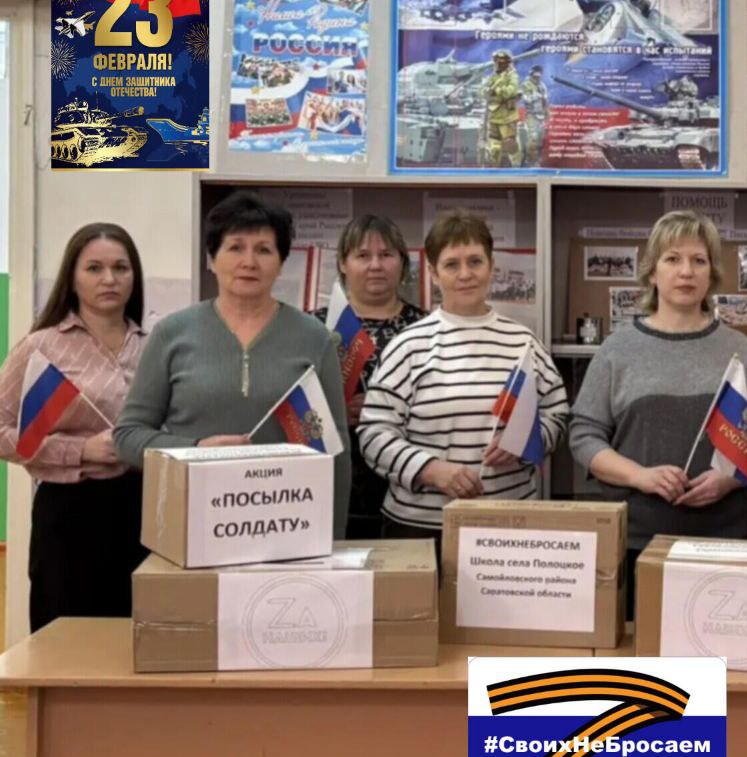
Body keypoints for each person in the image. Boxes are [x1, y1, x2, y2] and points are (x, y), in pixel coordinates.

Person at [570, 211, 747, 609]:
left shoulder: (738, 349)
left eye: (698, 260)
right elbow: (583, 437)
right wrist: (640, 476)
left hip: (724, 540)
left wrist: (730, 478)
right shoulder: (618, 350)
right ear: (652, 272)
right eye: (672, 259)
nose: (686, 271)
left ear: (711, 274)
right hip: (638, 542)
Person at [115, 192, 351, 534]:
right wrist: (196, 450)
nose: (249, 262)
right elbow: (128, 436)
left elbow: (336, 452)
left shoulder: (315, 337)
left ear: (281, 263)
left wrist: (333, 539)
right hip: (192, 525)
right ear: (211, 259)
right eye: (235, 247)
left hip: (288, 527)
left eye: (264, 250)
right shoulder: (171, 334)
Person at [357, 212, 568, 554]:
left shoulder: (523, 342)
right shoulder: (409, 345)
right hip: (420, 529)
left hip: (507, 525)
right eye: (452, 264)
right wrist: (429, 470)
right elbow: (373, 434)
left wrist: (526, 441)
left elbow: (557, 415)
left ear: (492, 266)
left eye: (475, 261)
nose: (466, 274)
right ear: (433, 272)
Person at [0, 224, 148, 633]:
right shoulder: (42, 346)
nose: (109, 279)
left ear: (134, 277)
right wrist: (79, 451)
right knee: (65, 639)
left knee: (136, 640)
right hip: (69, 514)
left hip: (144, 510)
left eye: (121, 268)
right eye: (94, 268)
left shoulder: (154, 345)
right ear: (72, 277)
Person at [313, 214, 425, 539]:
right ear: (343, 263)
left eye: (386, 254)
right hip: (330, 485)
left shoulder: (427, 328)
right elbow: (289, 403)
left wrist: (387, 413)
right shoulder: (315, 327)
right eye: (362, 255)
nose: (375, 265)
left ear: (402, 263)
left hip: (410, 489)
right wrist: (334, 411)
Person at [483, 49, 522, 167]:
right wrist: (488, 91)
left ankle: (517, 169)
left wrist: (495, 90)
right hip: (494, 115)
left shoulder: (513, 76)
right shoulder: (493, 77)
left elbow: (509, 92)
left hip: (507, 117)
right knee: (494, 147)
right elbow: (482, 91)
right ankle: (494, 170)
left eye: (500, 63)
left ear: (506, 63)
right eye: (496, 62)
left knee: (510, 145)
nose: (497, 65)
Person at [520, 65, 549, 163]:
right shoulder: (526, 85)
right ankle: (528, 159)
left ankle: (537, 159)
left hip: (541, 115)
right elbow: (526, 99)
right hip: (531, 115)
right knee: (533, 137)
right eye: (535, 76)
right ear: (531, 74)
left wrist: (547, 115)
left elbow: (545, 101)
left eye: (538, 77)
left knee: (541, 139)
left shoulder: (542, 85)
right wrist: (536, 95)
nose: (537, 79)